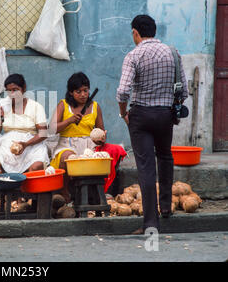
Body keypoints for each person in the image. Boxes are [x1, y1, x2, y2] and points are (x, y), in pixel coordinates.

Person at [116, 14, 188, 234]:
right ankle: (166, 207)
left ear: (136, 33)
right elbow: (183, 90)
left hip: (140, 116)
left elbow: (122, 91)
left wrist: (123, 114)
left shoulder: (133, 55)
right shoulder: (173, 53)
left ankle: (150, 223)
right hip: (165, 115)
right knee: (165, 157)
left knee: (146, 168)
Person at [49, 72, 104, 203]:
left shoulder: (95, 106)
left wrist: (100, 138)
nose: (83, 94)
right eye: (78, 91)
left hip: (89, 146)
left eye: (85, 90)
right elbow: (51, 129)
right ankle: (64, 191)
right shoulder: (63, 105)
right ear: (71, 92)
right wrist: (69, 120)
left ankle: (96, 192)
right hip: (67, 144)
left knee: (107, 154)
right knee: (67, 157)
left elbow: (101, 130)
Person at [0, 73, 49, 174]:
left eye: (15, 90)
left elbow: (43, 133)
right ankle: (3, 187)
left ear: (23, 88)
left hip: (31, 144)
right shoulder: (3, 105)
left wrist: (25, 144)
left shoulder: (35, 106)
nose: (12, 94)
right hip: (7, 144)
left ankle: (25, 188)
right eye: (9, 91)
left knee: (36, 167)